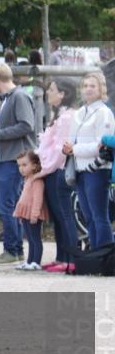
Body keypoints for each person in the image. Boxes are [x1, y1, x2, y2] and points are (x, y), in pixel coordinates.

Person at [0, 63, 37, 266]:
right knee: (9, 205)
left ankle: (11, 249)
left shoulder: (19, 97)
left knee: (6, 205)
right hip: (5, 159)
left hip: (14, 161)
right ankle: (16, 250)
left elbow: (26, 125)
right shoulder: (8, 99)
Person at [63, 71, 115, 250]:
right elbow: (72, 141)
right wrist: (68, 148)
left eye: (93, 86)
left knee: (100, 216)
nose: (88, 89)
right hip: (79, 169)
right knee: (89, 217)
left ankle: (107, 256)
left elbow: (102, 145)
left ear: (101, 88)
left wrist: (74, 149)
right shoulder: (79, 113)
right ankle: (95, 255)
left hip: (97, 170)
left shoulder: (104, 112)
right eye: (85, 86)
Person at [35, 78, 80, 272]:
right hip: (52, 171)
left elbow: (60, 150)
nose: (49, 93)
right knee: (59, 217)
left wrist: (44, 169)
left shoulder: (67, 117)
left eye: (52, 90)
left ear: (63, 94)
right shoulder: (59, 115)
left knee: (65, 216)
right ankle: (61, 256)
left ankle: (71, 259)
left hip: (58, 172)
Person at [13, 151, 49, 271]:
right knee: (29, 238)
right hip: (25, 214)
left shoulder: (37, 181)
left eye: (24, 165)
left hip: (33, 215)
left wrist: (35, 215)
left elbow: (38, 199)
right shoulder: (27, 179)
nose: (21, 169)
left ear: (34, 165)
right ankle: (29, 261)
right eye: (19, 166)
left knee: (35, 238)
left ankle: (36, 262)